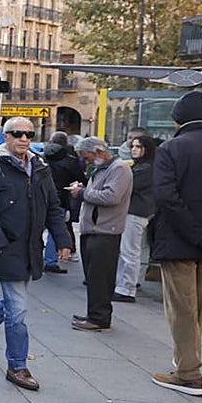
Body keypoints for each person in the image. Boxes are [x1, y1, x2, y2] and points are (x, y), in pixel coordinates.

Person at [0, 117, 72, 391]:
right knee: (18, 310)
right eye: (17, 134)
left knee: (13, 303)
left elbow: (53, 207)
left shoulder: (40, 167)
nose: (24, 138)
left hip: (31, 249)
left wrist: (62, 239)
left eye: (29, 134)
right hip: (7, 249)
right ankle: (17, 366)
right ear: (6, 136)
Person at [150, 90, 202, 396]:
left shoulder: (171, 148)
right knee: (200, 307)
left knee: (181, 307)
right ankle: (188, 362)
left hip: (179, 240)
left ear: (177, 118)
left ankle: (188, 373)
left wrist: (194, 232)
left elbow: (165, 197)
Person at [68, 137, 132, 332]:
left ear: (98, 151)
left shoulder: (119, 169)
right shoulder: (103, 168)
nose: (85, 162)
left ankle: (99, 318)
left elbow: (111, 197)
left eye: (86, 157)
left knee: (101, 277)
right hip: (95, 229)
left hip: (105, 231)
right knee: (94, 276)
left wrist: (81, 192)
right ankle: (94, 313)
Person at [113, 135, 157, 302]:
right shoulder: (141, 167)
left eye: (138, 147)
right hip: (134, 211)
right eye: (133, 146)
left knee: (129, 251)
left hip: (136, 212)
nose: (134, 149)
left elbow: (126, 186)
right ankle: (124, 285)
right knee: (128, 250)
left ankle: (127, 288)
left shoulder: (146, 169)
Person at [42, 131, 86, 273]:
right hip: (60, 199)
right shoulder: (70, 160)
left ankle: (29, 258)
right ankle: (50, 261)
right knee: (54, 230)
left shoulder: (40, 158)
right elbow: (80, 178)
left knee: (35, 228)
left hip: (40, 198)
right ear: (66, 144)